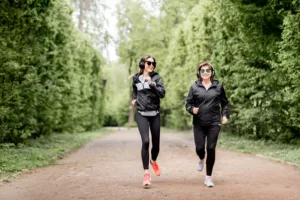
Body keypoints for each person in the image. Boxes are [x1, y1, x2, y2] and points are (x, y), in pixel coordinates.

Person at [185, 62, 229, 188]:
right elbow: (188, 104)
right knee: (200, 149)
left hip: (214, 122)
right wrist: (192, 109)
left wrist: (224, 115)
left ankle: (208, 177)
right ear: (199, 73)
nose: (205, 73)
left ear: (212, 72)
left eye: (207, 70)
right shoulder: (194, 87)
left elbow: (225, 103)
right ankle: (201, 158)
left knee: (211, 148)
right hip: (198, 123)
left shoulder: (218, 86)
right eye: (202, 71)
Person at [131, 55, 166, 187]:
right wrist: (135, 99)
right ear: (143, 64)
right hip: (141, 113)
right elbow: (135, 91)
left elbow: (162, 93)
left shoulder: (157, 78)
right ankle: (146, 174)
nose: (151, 65)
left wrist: (151, 83)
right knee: (146, 141)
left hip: (155, 113)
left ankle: (154, 161)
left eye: (153, 63)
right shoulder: (136, 78)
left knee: (156, 145)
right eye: (149, 63)